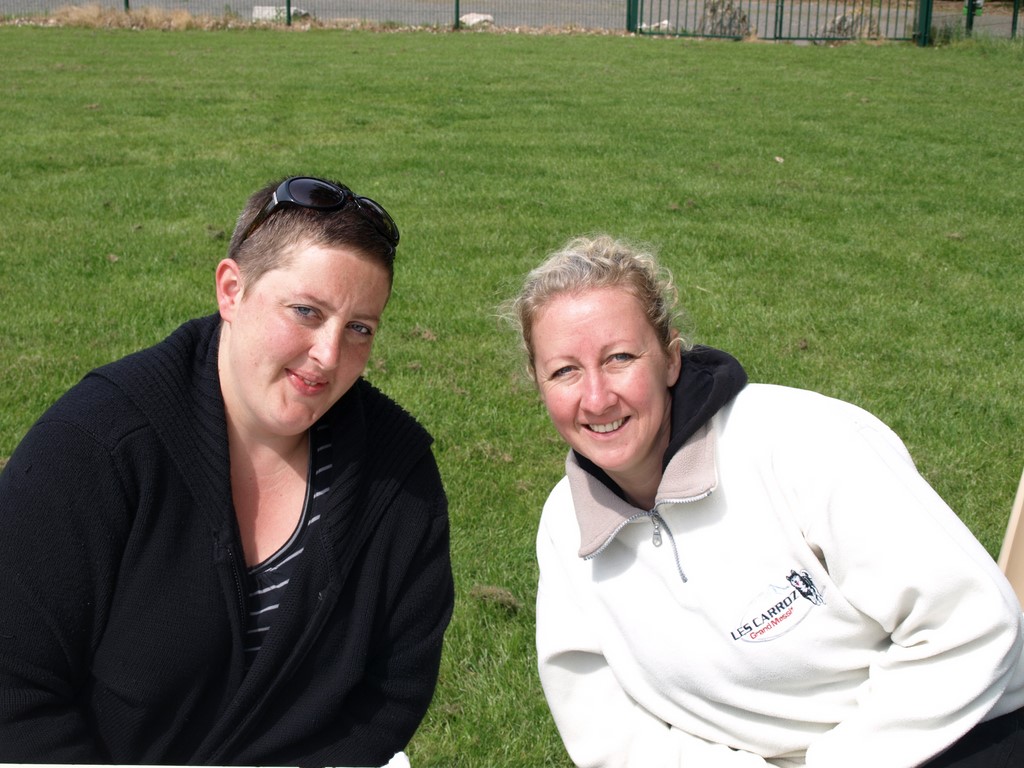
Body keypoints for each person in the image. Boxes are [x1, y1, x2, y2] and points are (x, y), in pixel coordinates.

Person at [505, 234, 1024, 767]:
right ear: (539, 385)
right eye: (564, 371)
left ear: (671, 360)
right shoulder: (565, 526)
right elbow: (610, 731)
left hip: (953, 735)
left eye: (619, 358)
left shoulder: (802, 441)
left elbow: (970, 626)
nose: (596, 398)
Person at [0, 176, 454, 766]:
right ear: (231, 290)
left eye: (360, 328)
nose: (329, 355)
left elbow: (392, 695)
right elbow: (14, 690)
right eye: (306, 312)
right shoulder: (96, 446)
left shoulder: (398, 478)